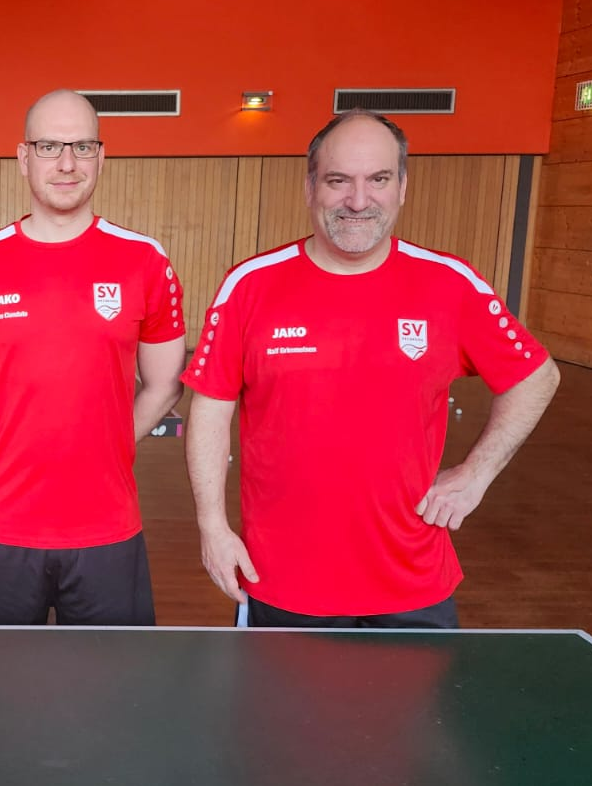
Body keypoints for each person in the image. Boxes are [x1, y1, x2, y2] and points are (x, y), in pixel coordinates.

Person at [184, 109, 561, 628]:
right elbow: (210, 408)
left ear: (402, 187)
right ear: (310, 187)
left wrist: (477, 473)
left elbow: (536, 375)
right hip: (283, 580)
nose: (358, 201)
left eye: (378, 180)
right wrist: (211, 526)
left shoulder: (449, 284)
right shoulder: (250, 285)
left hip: (413, 582)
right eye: (338, 180)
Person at [0, 89, 186, 625]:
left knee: (112, 678)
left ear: (102, 155)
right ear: (23, 157)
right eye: (49, 146)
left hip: (107, 527)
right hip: (0, 525)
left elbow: (165, 383)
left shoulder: (144, 260)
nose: (67, 163)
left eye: (82, 147)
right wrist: (8, 438)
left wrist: (111, 441)